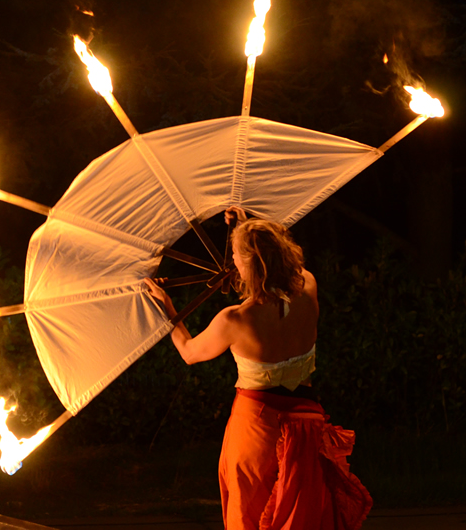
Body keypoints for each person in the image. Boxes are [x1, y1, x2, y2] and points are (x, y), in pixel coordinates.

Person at [144, 207, 372, 530]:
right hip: (305, 426)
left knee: (250, 512)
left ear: (250, 264)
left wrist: (167, 307)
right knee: (300, 517)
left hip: (257, 431)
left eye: (236, 255)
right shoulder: (309, 286)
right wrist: (246, 227)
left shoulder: (235, 319)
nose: (232, 260)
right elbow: (277, 264)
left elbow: (189, 352)